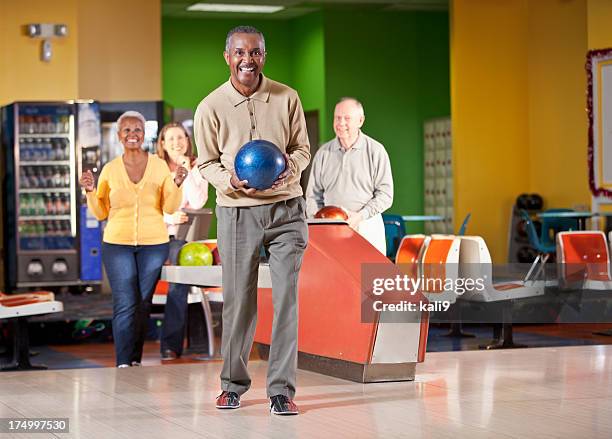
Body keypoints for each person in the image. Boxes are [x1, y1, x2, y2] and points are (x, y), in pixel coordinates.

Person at [194, 25, 310, 415]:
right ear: (227, 56)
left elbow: (301, 150)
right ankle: (232, 384)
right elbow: (206, 162)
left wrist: (287, 172)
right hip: (236, 211)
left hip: (286, 209)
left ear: (264, 55)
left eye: (256, 52)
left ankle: (281, 389)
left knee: (287, 300)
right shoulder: (210, 106)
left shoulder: (287, 97)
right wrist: (229, 179)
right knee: (239, 302)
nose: (249, 59)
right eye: (241, 52)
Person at [80, 111, 188, 368]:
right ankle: (123, 362)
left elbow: (170, 207)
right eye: (127, 130)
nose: (132, 135)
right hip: (117, 244)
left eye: (137, 129)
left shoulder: (159, 166)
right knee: (125, 301)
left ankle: (134, 359)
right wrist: (90, 191)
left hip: (154, 244)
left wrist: (177, 184)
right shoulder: (110, 169)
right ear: (119, 136)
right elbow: (100, 212)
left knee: (142, 302)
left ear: (144, 134)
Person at [305, 98, 393, 254]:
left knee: (369, 277)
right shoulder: (323, 153)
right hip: (331, 231)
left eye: (347, 118)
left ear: (360, 120)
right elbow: (312, 195)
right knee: (334, 277)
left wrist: (360, 216)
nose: (341, 123)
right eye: (337, 118)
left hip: (367, 227)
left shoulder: (376, 151)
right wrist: (319, 220)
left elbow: (386, 195)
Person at [156, 122, 209, 360]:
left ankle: (178, 344)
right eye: (171, 139)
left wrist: (187, 172)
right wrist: (169, 216)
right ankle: (165, 344)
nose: (177, 143)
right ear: (163, 145)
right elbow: (148, 205)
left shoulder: (198, 167)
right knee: (170, 286)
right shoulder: (155, 169)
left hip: (186, 237)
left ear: (188, 140)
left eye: (181, 138)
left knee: (183, 285)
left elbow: (197, 202)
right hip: (159, 235)